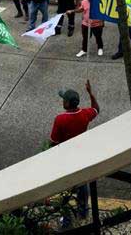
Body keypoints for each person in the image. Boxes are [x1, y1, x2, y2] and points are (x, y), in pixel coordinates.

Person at [49, 81, 100, 224]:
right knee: (82, 185)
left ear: (67, 104)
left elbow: (53, 141)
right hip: (81, 156)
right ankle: (83, 212)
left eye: (63, 100)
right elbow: (96, 109)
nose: (62, 101)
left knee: (64, 189)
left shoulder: (60, 119)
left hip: (66, 159)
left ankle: (66, 219)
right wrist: (90, 93)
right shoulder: (84, 114)